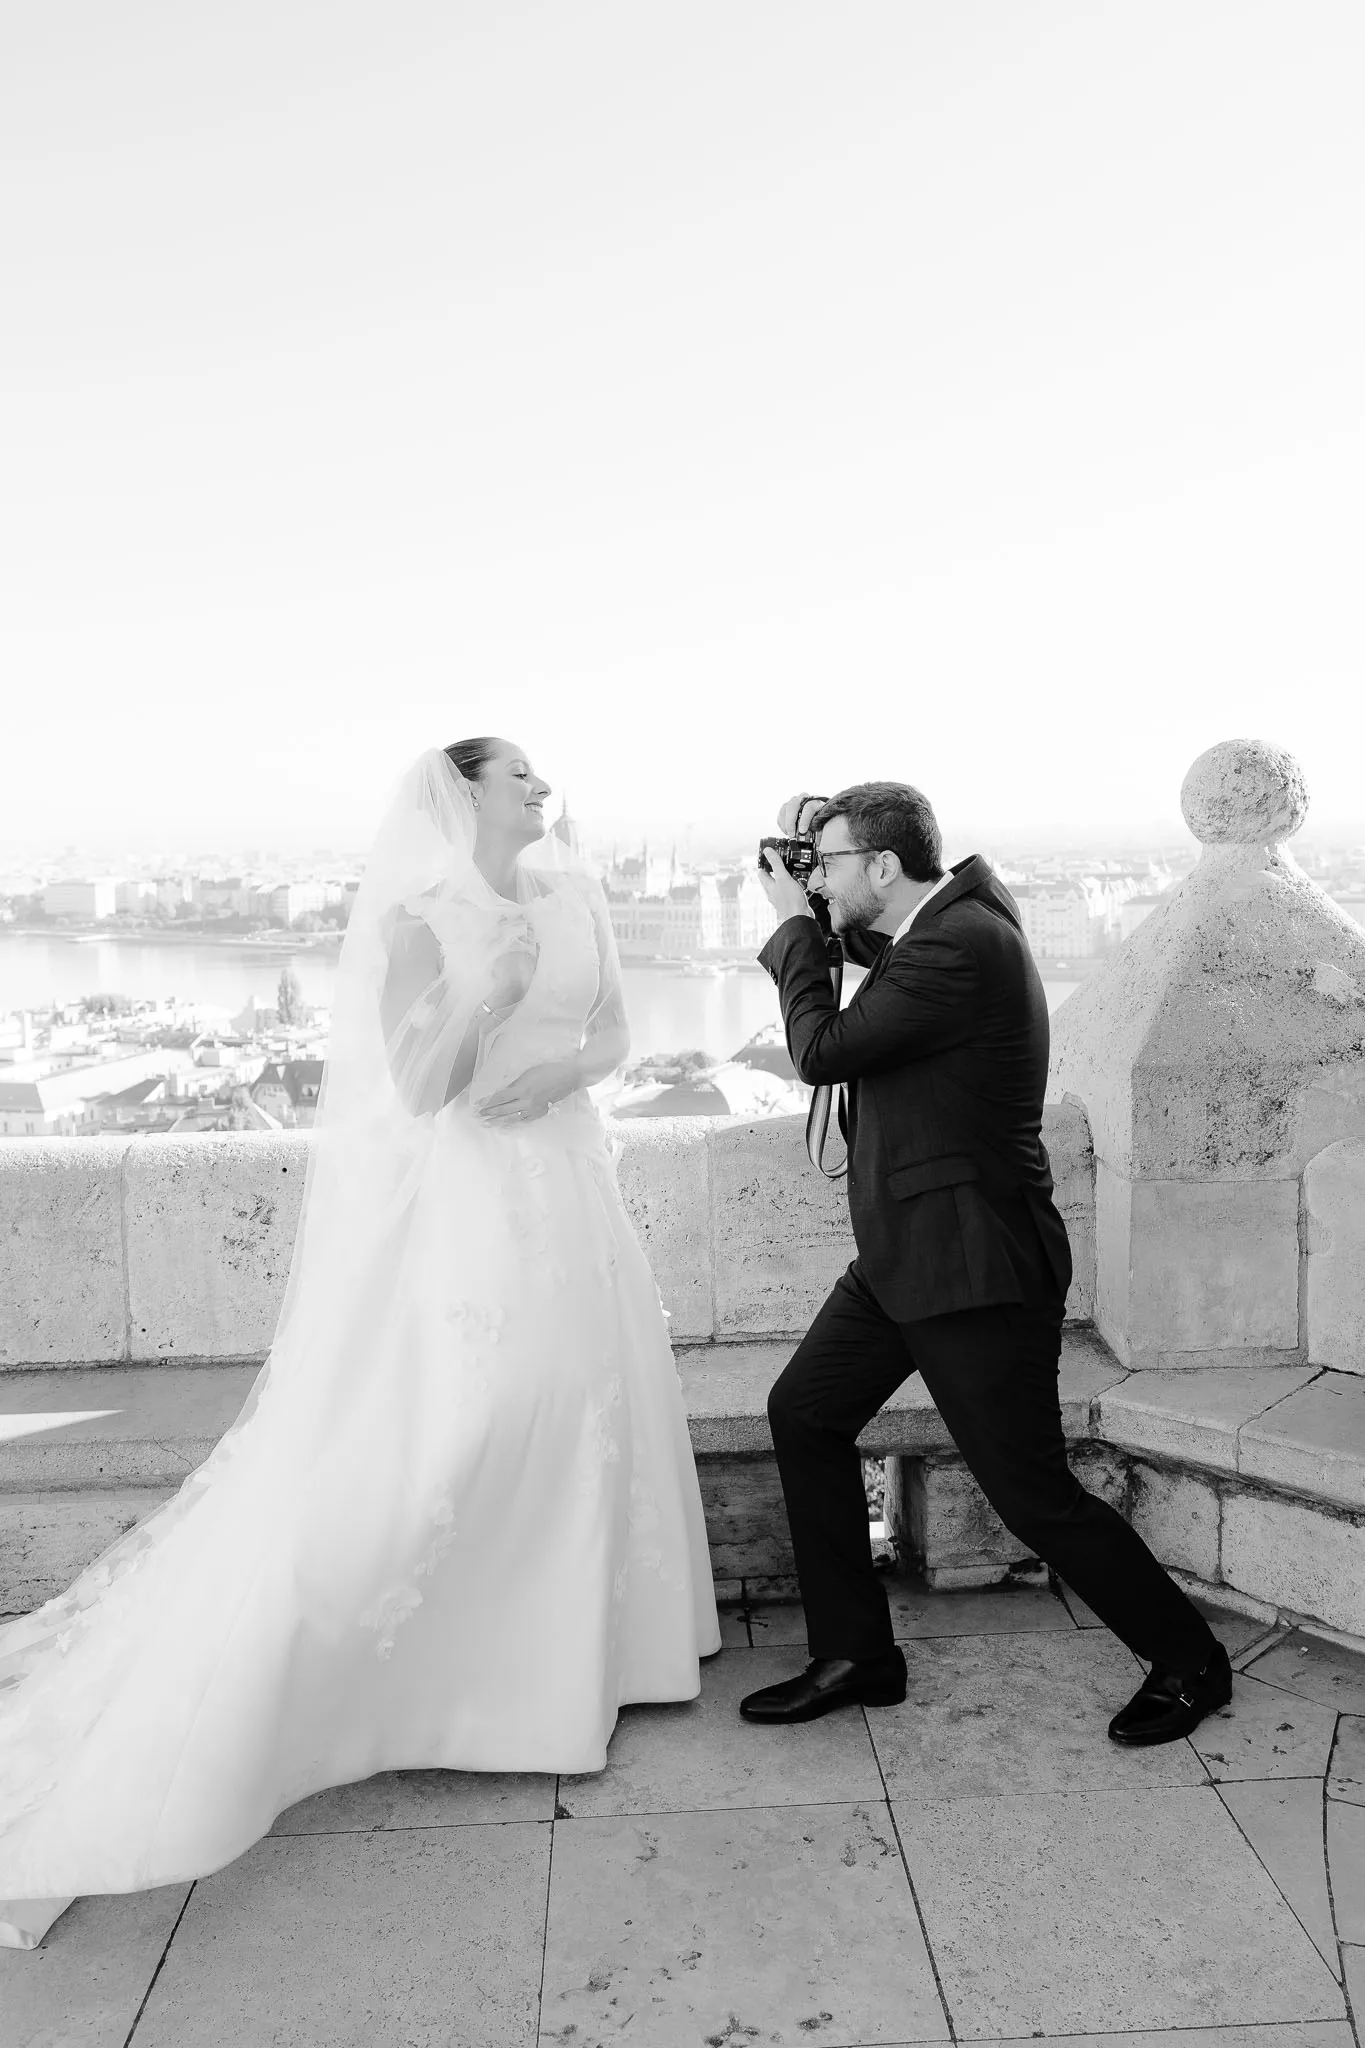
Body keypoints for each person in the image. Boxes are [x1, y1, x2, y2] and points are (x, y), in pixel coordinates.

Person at [0, 740, 720, 1950]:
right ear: (464, 794)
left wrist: (555, 1068)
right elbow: (416, 1084)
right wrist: (488, 998)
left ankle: (608, 1659)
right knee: (480, 1416)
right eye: (518, 777)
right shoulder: (418, 916)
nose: (543, 790)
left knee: (600, 1397)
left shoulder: (577, 887)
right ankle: (438, 1682)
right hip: (477, 1203)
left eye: (543, 776)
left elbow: (612, 1033)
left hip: (570, 1180)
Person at [740, 783, 1231, 1743]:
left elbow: (822, 1048)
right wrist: (819, 902)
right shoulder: (950, 918)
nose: (820, 881)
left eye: (831, 863)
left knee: (1033, 1497)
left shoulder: (961, 946)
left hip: (973, 1269)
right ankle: (858, 1653)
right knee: (802, 1414)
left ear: (882, 867)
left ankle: (1189, 1660)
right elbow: (883, 960)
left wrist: (792, 931)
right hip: (904, 1256)